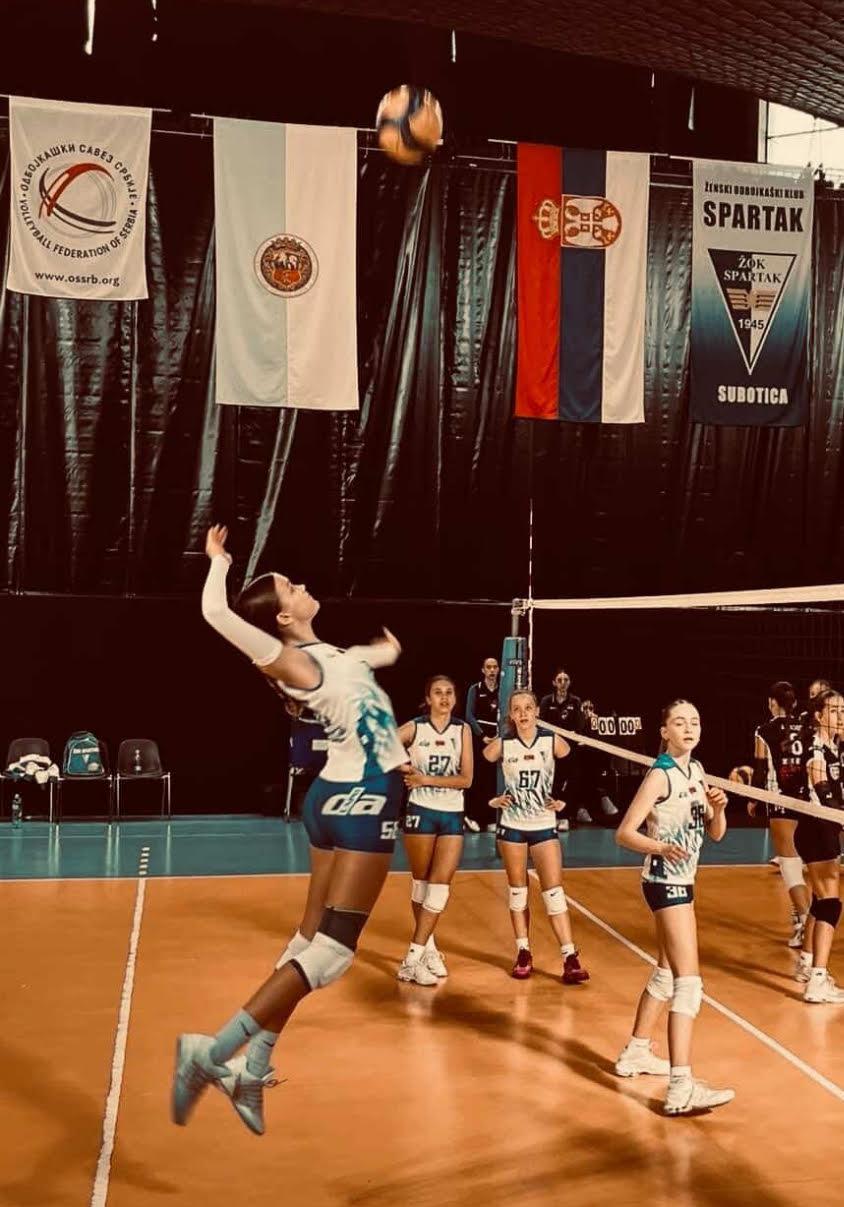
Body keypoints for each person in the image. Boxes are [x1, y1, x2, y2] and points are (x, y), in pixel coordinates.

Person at [171, 524, 408, 1136]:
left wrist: (386, 653)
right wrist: (219, 562)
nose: (302, 586)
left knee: (308, 938)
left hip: (330, 795)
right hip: (362, 797)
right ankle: (210, 1052)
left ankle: (253, 1070)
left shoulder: (328, 655)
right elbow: (216, 613)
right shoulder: (296, 662)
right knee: (333, 954)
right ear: (281, 617)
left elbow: (358, 662)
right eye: (291, 587)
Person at [613, 699, 734, 1116]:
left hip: (681, 882)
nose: (689, 728)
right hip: (667, 883)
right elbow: (624, 834)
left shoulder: (696, 771)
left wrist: (719, 808)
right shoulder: (660, 775)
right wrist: (661, 847)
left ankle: (636, 1051)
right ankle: (681, 1087)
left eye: (694, 721)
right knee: (689, 983)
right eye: (679, 722)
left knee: (667, 972)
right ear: (664, 731)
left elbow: (716, 834)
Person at [483, 690, 589, 984]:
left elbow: (578, 769)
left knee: (553, 893)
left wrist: (565, 800)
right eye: (517, 709)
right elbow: (477, 771)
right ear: (511, 715)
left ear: (537, 712)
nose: (523, 713)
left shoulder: (551, 741)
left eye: (528, 707)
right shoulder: (502, 744)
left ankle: (570, 957)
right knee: (518, 892)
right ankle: (523, 952)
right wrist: (491, 801)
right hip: (513, 826)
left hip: (543, 824)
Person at [396, 675, 473, 985]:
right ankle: (428, 949)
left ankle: (411, 959)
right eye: (438, 693)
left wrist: (424, 778)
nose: (444, 697)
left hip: (452, 812)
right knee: (422, 884)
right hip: (421, 811)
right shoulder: (415, 727)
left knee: (441, 887)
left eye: (449, 692)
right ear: (428, 699)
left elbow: (466, 779)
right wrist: (403, 767)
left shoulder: (462, 729)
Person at [749, 681, 811, 948]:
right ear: (794, 703)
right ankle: (806, 919)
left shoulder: (764, 731)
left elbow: (761, 768)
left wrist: (753, 797)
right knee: (814, 864)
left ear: (772, 703)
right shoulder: (808, 727)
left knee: (790, 863)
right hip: (809, 800)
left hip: (781, 800)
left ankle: (805, 924)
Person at [793, 688, 844, 1003]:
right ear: (819, 715)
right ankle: (818, 980)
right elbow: (823, 791)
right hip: (817, 829)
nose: (841, 717)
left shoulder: (835, 747)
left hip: (821, 830)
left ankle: (807, 962)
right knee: (830, 904)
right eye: (835, 711)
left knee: (819, 899)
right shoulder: (816, 750)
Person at [465, 656, 500, 832]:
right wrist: (482, 735)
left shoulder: (503, 689)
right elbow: (469, 715)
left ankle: (490, 818)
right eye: (489, 667)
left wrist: (499, 735)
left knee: (492, 779)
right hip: (479, 739)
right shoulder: (475, 689)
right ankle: (473, 817)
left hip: (497, 738)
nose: (492, 670)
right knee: (478, 778)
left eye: (495, 667)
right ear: (483, 670)